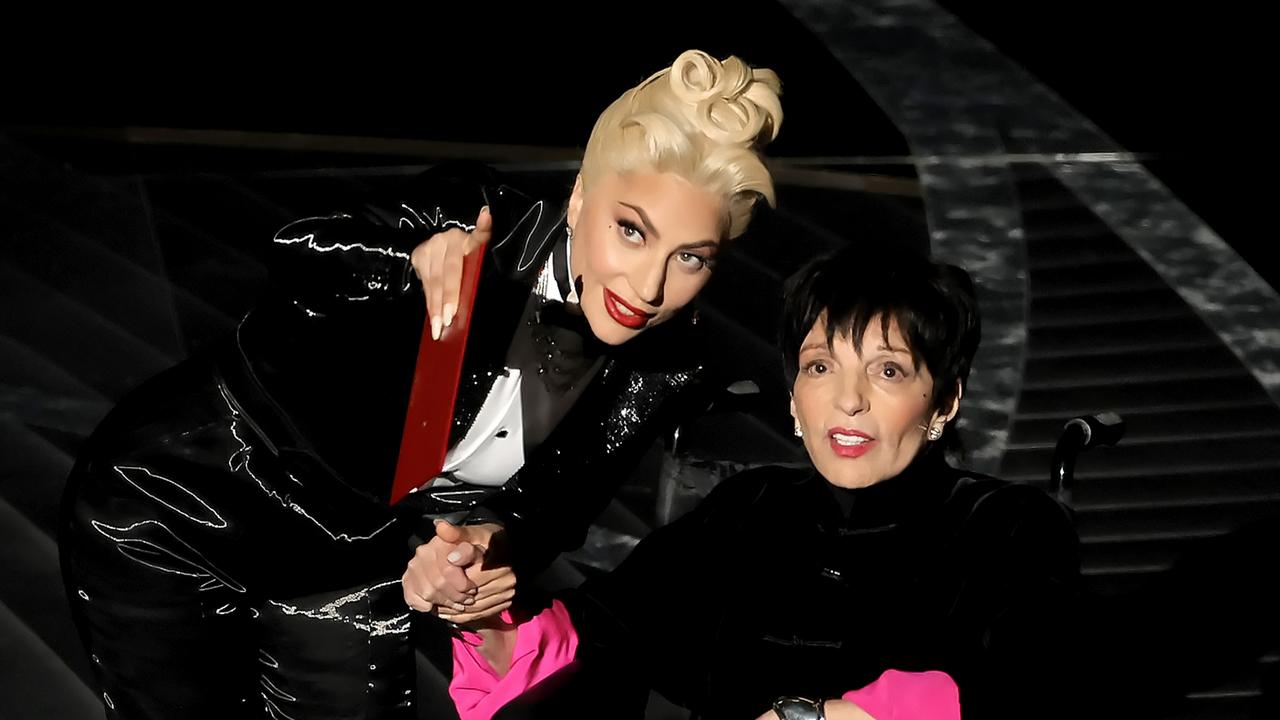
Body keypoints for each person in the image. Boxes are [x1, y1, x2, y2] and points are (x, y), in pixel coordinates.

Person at [59, 49, 783, 720]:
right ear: (582, 196)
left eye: (692, 258)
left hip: (348, 574)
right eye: (632, 231)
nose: (651, 284)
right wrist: (407, 262)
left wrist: (480, 547)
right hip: (179, 508)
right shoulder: (474, 217)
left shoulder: (668, 364)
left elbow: (553, 510)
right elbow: (300, 252)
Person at [556, 243, 1082, 720]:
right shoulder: (746, 508)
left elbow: (1034, 684)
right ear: (793, 396)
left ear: (945, 401)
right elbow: (604, 626)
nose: (848, 400)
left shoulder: (1009, 526)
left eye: (888, 371)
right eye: (821, 367)